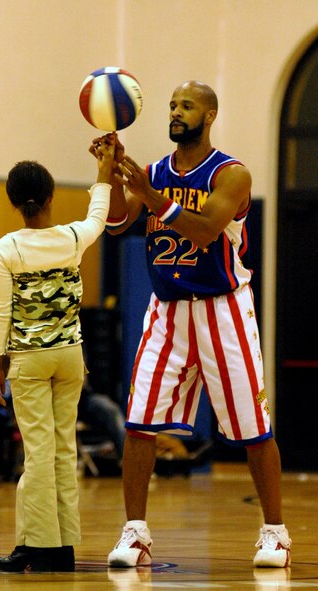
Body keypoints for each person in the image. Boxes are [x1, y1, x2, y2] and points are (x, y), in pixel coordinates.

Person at [91, 81, 291, 569]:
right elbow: (117, 225)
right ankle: (135, 533)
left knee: (253, 428)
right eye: (172, 106)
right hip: (168, 309)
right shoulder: (155, 171)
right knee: (139, 422)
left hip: (224, 308)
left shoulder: (232, 174)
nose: (176, 112)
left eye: (187, 106)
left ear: (210, 114)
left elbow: (203, 232)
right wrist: (109, 173)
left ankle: (275, 533)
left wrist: (150, 195)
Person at [0, 140, 115, 573]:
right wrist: (105, 168)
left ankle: (39, 548)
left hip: (29, 358)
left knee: (39, 453)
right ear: (50, 197)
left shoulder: (8, 247)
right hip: (71, 357)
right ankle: (60, 546)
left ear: (13, 202)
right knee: (64, 448)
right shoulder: (71, 238)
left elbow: (1, 310)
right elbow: (99, 215)